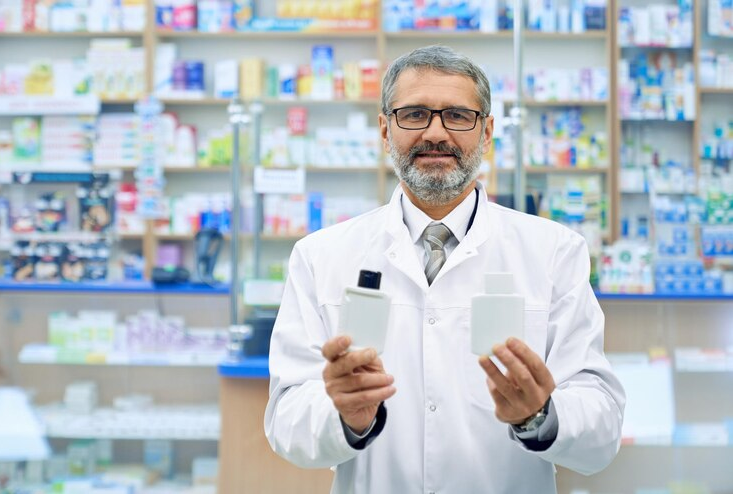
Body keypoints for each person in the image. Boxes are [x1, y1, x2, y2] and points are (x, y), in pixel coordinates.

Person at [264, 45, 625, 493]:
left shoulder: (554, 252)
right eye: (414, 114)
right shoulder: (321, 256)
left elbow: (602, 427)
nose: (436, 133)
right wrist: (344, 417)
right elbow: (285, 420)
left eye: (457, 115)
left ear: (488, 132)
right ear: (384, 129)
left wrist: (542, 417)